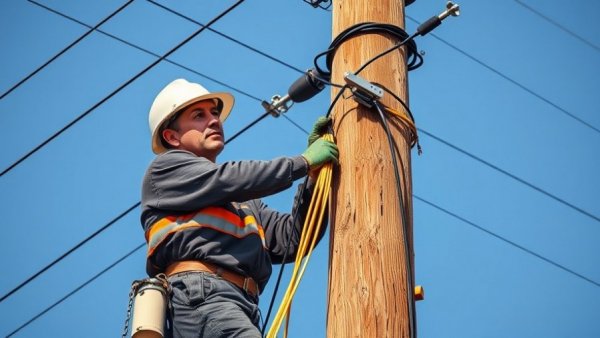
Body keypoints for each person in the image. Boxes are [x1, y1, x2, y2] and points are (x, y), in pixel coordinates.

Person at [140, 78, 338, 337]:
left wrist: (313, 176)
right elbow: (229, 178)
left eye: (214, 113)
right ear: (171, 136)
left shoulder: (242, 205)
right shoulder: (165, 171)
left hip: (243, 305)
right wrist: (302, 162)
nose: (214, 121)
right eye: (198, 115)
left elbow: (295, 237)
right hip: (202, 296)